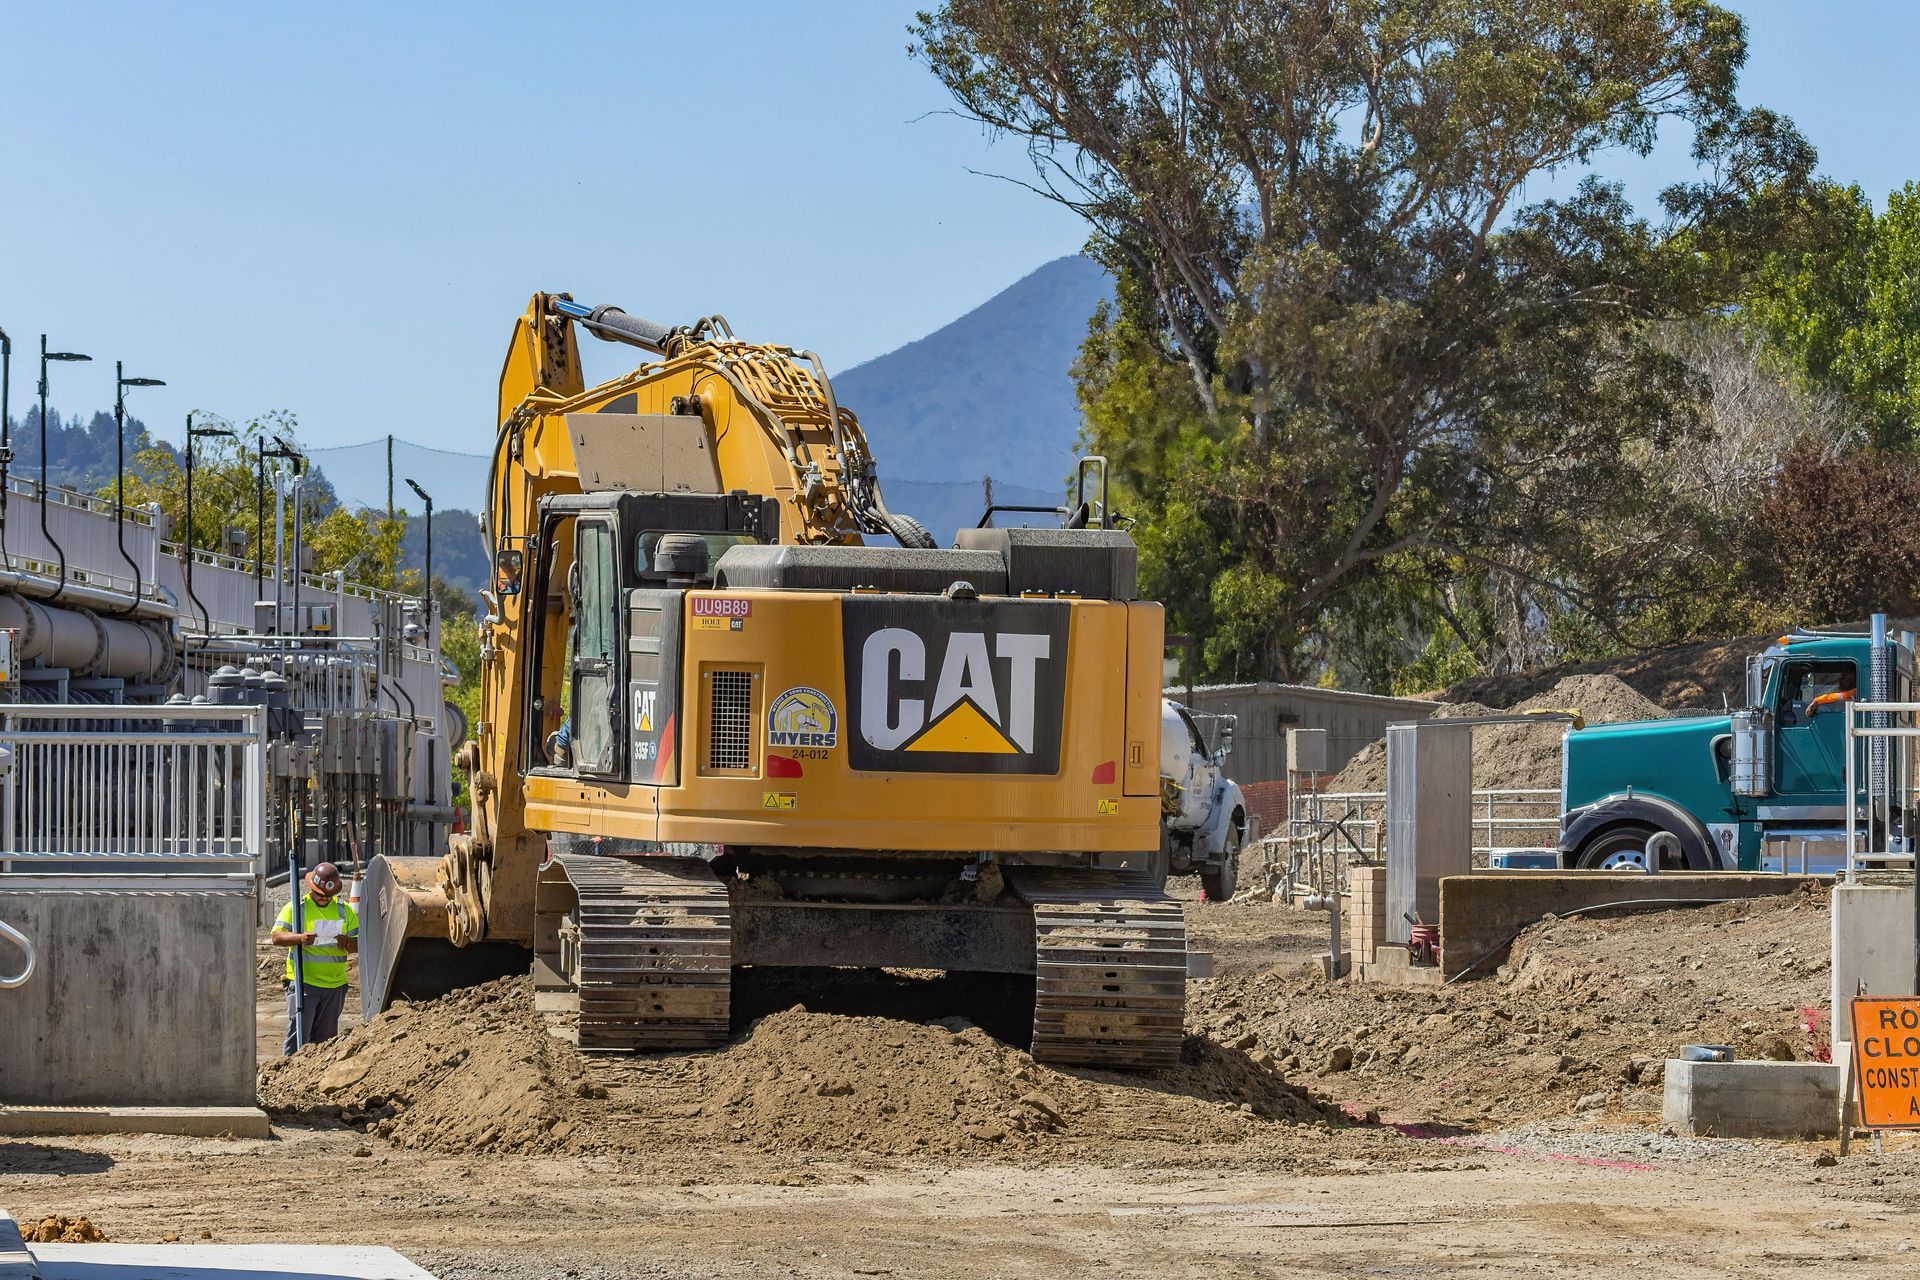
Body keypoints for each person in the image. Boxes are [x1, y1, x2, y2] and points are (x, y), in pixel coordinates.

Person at [271, 862, 358, 1054]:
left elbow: (359, 944)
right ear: (311, 888)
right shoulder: (296, 908)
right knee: (299, 1034)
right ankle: (289, 1074)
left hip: (334, 987)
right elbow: (276, 937)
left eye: (328, 896)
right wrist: (300, 938)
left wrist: (346, 942)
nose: (324, 899)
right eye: (320, 895)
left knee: (325, 1042)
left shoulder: (345, 911)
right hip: (304, 984)